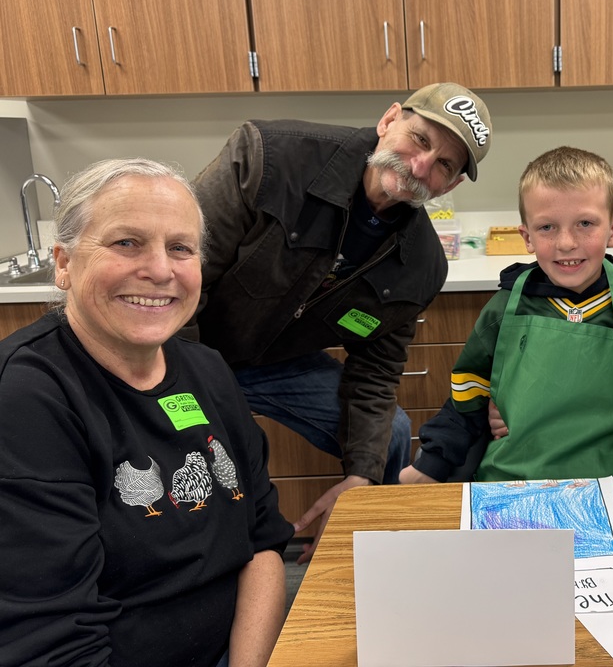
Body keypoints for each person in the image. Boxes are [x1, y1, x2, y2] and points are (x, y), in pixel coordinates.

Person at [0, 159, 293, 667]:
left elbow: (263, 539)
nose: (160, 270)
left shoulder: (208, 370)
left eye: (180, 248)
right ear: (64, 264)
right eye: (126, 243)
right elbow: (52, 642)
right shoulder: (28, 397)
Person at [184, 82, 492, 560]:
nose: (420, 167)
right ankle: (219, 558)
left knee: (387, 434)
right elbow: (179, 280)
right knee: (207, 453)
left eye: (444, 166)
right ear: (390, 120)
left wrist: (361, 478)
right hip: (188, 349)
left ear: (449, 185)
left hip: (278, 364)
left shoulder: (423, 265)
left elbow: (374, 374)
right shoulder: (268, 158)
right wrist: (192, 391)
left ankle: (368, 552)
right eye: (422, 140)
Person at [401, 146, 613, 483]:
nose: (566, 242)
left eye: (585, 223)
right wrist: (429, 466)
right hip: (509, 488)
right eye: (547, 227)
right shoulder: (503, 309)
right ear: (527, 237)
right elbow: (467, 400)